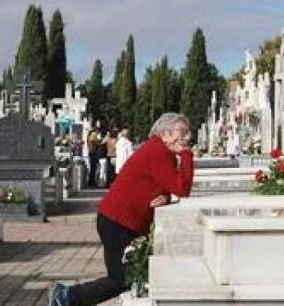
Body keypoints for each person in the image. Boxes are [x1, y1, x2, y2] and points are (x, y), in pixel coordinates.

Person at [48, 113, 194, 306]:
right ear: (165, 133)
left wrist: (165, 196)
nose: (185, 139)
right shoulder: (159, 152)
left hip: (118, 220)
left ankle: (68, 296)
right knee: (121, 279)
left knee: (128, 275)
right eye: (181, 134)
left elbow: (162, 183)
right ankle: (68, 296)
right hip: (119, 222)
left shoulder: (156, 150)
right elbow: (182, 188)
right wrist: (186, 154)